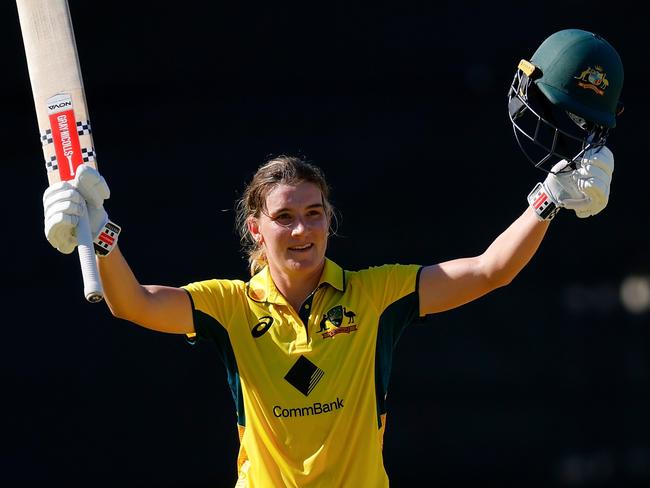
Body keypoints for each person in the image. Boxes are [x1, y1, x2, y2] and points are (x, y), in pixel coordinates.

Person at [41, 29, 623, 487]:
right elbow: (132, 304)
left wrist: (550, 200)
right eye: (285, 217)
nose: (302, 229)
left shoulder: (374, 296)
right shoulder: (230, 307)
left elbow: (491, 270)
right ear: (255, 229)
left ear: (330, 221)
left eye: (314, 213)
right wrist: (101, 238)